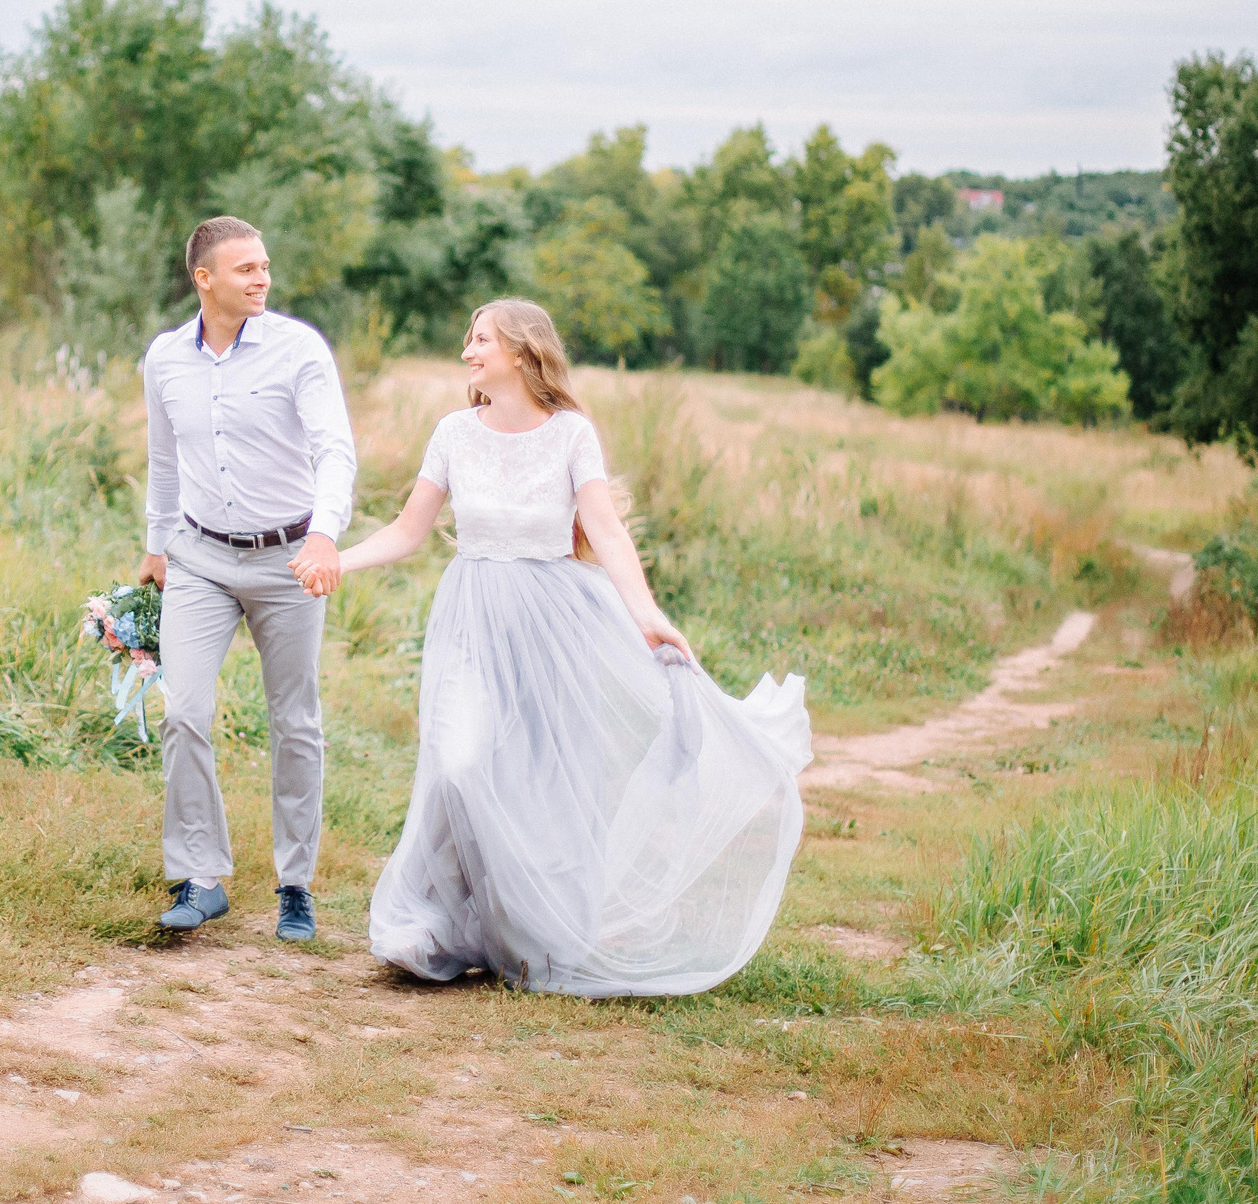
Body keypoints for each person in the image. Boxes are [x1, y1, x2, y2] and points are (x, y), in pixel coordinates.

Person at [337, 298, 811, 995]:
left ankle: (530, 932)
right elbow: (409, 531)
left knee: (540, 780)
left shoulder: (570, 435)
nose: (467, 350)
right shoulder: (452, 433)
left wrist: (646, 613)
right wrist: (335, 563)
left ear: (524, 353)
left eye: (481, 339)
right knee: (460, 763)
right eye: (467, 338)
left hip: (555, 626)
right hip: (472, 619)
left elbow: (607, 532)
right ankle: (436, 922)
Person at [136, 216, 355, 940]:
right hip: (199, 555)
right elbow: (163, 461)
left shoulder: (298, 350)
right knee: (184, 711)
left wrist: (325, 533)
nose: (262, 278)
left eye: (265, 266)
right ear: (205, 280)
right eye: (246, 269)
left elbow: (334, 450)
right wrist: (155, 545)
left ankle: (295, 883)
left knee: (295, 720)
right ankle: (201, 876)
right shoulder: (166, 359)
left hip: (289, 557)